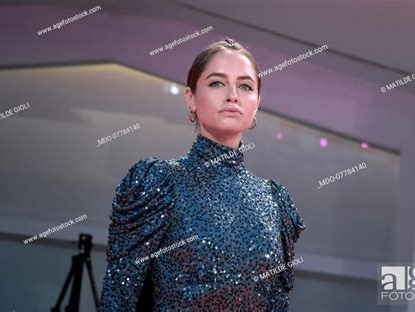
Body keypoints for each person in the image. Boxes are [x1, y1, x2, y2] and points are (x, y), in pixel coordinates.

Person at [98, 38, 306, 311]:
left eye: (245, 86)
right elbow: (119, 298)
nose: (233, 95)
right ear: (191, 98)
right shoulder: (160, 182)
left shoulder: (273, 201)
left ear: (256, 104)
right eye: (217, 83)